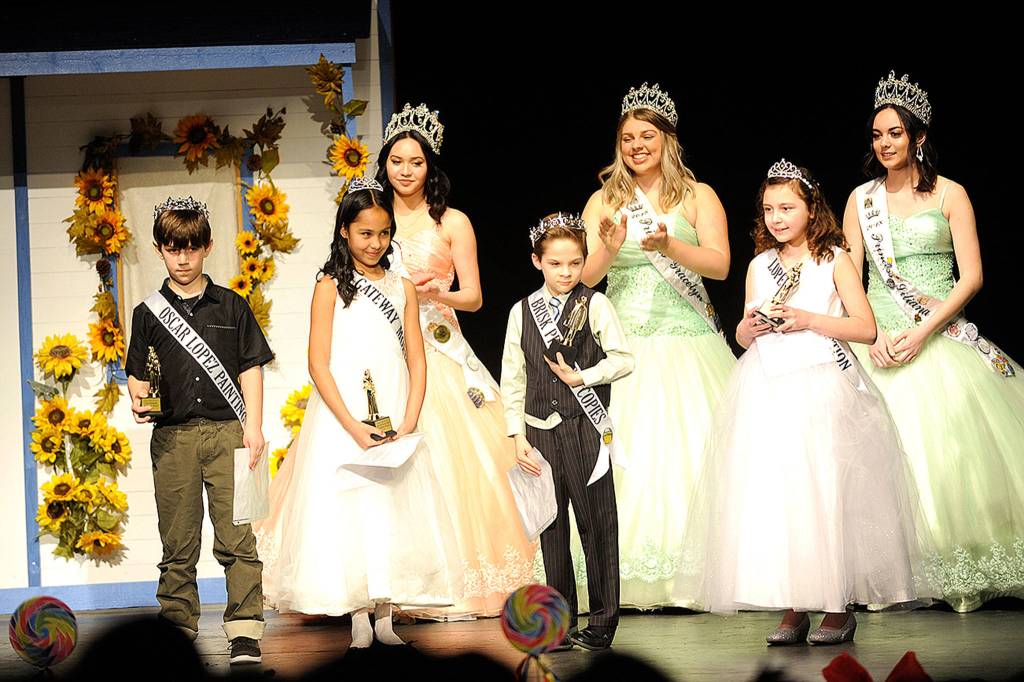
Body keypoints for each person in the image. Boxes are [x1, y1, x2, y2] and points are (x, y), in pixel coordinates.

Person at [676, 161, 935, 645]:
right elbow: (742, 331)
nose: (777, 217)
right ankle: (794, 602)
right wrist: (749, 328)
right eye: (769, 209)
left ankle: (836, 605)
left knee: (823, 490)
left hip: (822, 382)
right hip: (769, 384)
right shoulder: (759, 265)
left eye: (788, 207)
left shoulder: (833, 257)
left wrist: (807, 318)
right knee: (781, 495)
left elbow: (864, 327)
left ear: (811, 208)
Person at [843, 72, 1024, 612]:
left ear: (917, 136)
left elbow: (971, 277)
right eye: (877, 134)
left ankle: (951, 566)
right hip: (874, 342)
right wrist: (869, 333)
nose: (884, 144)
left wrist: (922, 332)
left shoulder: (951, 194)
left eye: (895, 133)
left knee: (944, 450)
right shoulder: (860, 199)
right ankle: (879, 574)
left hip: (937, 334)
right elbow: (850, 273)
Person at [257, 177, 462, 650]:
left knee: (391, 507)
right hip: (342, 414)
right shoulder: (330, 286)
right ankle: (357, 616)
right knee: (351, 507)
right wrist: (351, 425)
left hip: (393, 406)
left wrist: (409, 419)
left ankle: (386, 613)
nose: (375, 243)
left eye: (383, 233)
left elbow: (416, 356)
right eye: (365, 233)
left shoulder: (403, 286)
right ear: (345, 231)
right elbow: (317, 362)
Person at [579, 83, 735, 608]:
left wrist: (670, 244)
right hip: (624, 347)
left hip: (689, 340)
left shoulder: (698, 195)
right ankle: (622, 576)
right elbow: (584, 279)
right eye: (628, 137)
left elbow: (719, 264)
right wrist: (610, 245)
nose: (637, 145)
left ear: (668, 140)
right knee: (629, 459)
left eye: (648, 135)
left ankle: (704, 571)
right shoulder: (603, 200)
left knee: (694, 449)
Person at [376, 103, 535, 617]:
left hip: (441, 347)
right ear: (384, 164)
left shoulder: (452, 221)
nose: (405, 170)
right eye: (396, 161)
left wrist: (434, 293)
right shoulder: (370, 219)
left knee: (455, 461)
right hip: (385, 350)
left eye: (415, 162)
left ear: (430, 166)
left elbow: (476, 297)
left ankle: (458, 577)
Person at [125, 196, 273, 664]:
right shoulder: (148, 312)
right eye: (173, 249)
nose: (183, 258)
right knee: (178, 541)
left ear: (207, 246)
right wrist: (137, 397)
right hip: (172, 438)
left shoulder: (232, 305)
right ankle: (177, 627)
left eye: (191, 247)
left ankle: (245, 630)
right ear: (159, 249)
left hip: (231, 431)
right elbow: (136, 369)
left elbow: (251, 367)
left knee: (238, 537)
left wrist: (255, 426)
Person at [501, 213, 634, 650]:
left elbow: (623, 359)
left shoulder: (594, 303)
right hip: (539, 434)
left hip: (584, 429)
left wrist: (585, 377)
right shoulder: (521, 312)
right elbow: (513, 378)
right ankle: (557, 626)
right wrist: (516, 435)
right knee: (552, 530)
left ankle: (601, 623)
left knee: (598, 527)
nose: (566, 273)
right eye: (556, 264)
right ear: (537, 260)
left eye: (574, 264)